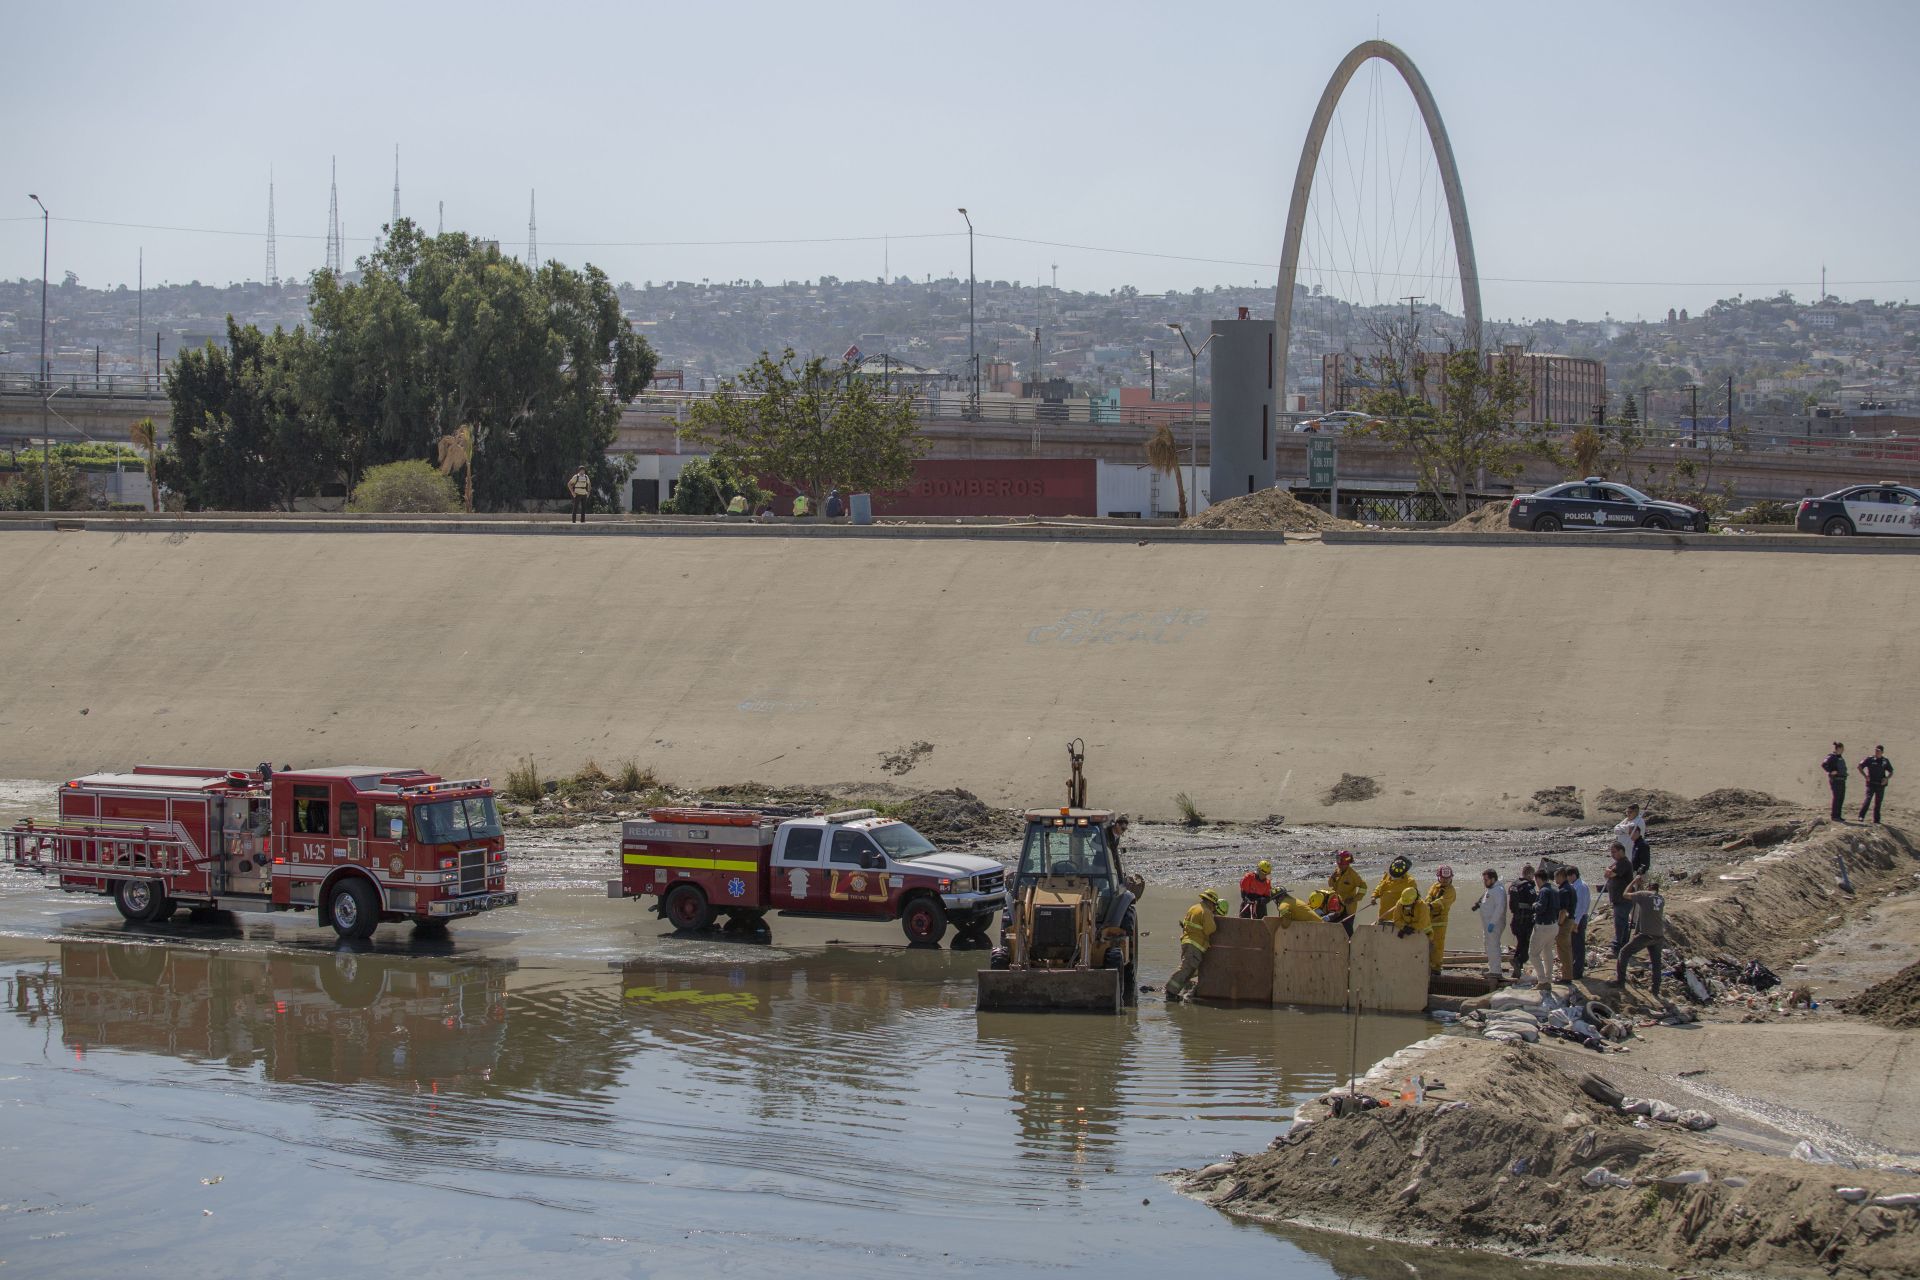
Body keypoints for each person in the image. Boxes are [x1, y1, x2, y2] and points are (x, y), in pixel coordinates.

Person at [1165, 889, 1224, 1002]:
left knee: (1189, 969)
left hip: (1188, 942)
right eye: (1214, 905)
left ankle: (1174, 992)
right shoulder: (1205, 912)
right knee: (1186, 968)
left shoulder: (1194, 908)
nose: (1214, 908)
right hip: (1194, 945)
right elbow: (1210, 929)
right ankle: (1170, 991)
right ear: (1211, 902)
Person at [1614, 875, 1668, 997]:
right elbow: (1647, 909)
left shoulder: (1644, 895)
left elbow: (1625, 894)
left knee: (1624, 952)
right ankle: (1655, 989)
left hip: (1646, 935)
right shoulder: (1661, 898)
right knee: (1656, 963)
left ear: (1648, 887)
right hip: (1658, 935)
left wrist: (1633, 881)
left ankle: (1620, 981)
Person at [1472, 868, 1507, 980]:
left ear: (1493, 879)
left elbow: (1500, 908)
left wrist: (1492, 923)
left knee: (1493, 946)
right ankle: (1492, 968)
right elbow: (1486, 900)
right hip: (1488, 923)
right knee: (1488, 946)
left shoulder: (1498, 890)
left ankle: (1496, 971)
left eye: (1486, 880)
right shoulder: (1491, 888)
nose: (1484, 882)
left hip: (1494, 924)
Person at [1528, 867, 1560, 988]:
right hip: (1554, 925)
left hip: (1543, 926)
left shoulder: (1543, 891)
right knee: (1547, 952)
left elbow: (1540, 908)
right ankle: (1548, 978)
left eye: (1536, 880)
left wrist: (1534, 905)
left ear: (1538, 879)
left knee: (1533, 954)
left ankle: (1542, 981)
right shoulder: (1555, 889)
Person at [1508, 863, 1538, 981]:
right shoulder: (1528, 887)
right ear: (1530, 874)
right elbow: (1534, 900)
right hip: (1525, 919)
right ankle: (1518, 961)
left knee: (1520, 943)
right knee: (1525, 945)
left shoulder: (1514, 884)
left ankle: (1517, 968)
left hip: (1515, 919)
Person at [1603, 842, 1634, 953]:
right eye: (1611, 852)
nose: (1612, 854)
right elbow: (1607, 873)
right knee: (1623, 923)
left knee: (1620, 923)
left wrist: (1609, 871)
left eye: (1614, 852)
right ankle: (1623, 945)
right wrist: (1608, 871)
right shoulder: (1617, 863)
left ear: (1621, 851)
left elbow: (1611, 874)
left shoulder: (1624, 863)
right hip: (1618, 899)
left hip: (1623, 899)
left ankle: (1617, 946)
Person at [1424, 866, 1456, 975]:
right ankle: (1427, 965)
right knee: (1427, 943)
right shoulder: (1435, 886)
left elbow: (1443, 902)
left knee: (1437, 945)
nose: (1445, 880)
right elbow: (1428, 895)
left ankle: (1436, 968)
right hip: (1429, 920)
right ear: (1439, 877)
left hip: (1440, 922)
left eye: (1447, 878)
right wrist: (1427, 903)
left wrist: (1431, 906)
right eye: (1443, 878)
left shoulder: (1450, 891)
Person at [1367, 856, 1417, 924]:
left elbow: (1414, 900)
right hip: (1383, 915)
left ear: (1403, 874)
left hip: (1398, 918)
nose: (1393, 877)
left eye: (1396, 877)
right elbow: (1380, 885)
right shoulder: (1387, 875)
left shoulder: (1410, 882)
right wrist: (1374, 896)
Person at [1328, 851, 1366, 935]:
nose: (1338, 864)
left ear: (1346, 862)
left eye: (1340, 861)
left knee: (1347, 931)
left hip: (1348, 908)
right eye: (1337, 860)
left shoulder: (1353, 875)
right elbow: (1330, 885)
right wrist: (1332, 878)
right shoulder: (1337, 871)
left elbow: (1364, 887)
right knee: (1334, 928)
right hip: (1337, 906)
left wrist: (1354, 899)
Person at [1858, 745, 1894, 824]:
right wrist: (1865, 776)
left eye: (1879, 751)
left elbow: (1891, 771)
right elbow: (1860, 766)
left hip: (1880, 785)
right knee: (1868, 800)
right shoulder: (1870, 759)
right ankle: (1861, 816)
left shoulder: (1885, 761)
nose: (1877, 752)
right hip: (1871, 784)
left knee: (1878, 802)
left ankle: (1876, 820)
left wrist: (1886, 778)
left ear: (1882, 752)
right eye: (1876, 750)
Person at [1568, 865, 1591, 978]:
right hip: (1578, 918)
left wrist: (1576, 922)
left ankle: (1577, 972)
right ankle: (1575, 969)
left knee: (1578, 946)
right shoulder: (1578, 885)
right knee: (1575, 944)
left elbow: (1581, 906)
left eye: (1568, 876)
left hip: (1579, 919)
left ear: (1573, 875)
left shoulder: (1580, 887)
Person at [1613, 804, 1650, 876]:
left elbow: (1629, 829)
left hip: (1632, 847)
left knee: (1632, 865)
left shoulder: (1639, 821)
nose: (1628, 814)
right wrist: (1624, 829)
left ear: (1636, 812)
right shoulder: (1626, 820)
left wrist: (1623, 829)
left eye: (1630, 812)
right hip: (1624, 848)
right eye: (1627, 812)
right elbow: (1615, 829)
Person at [1823, 742, 1849, 822]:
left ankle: (1838, 815)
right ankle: (1834, 816)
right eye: (1842, 748)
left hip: (1842, 780)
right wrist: (1831, 771)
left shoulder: (1840, 757)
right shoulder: (1832, 756)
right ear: (1838, 748)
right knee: (1837, 798)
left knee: (1841, 798)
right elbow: (1824, 764)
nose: (1843, 750)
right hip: (1836, 780)